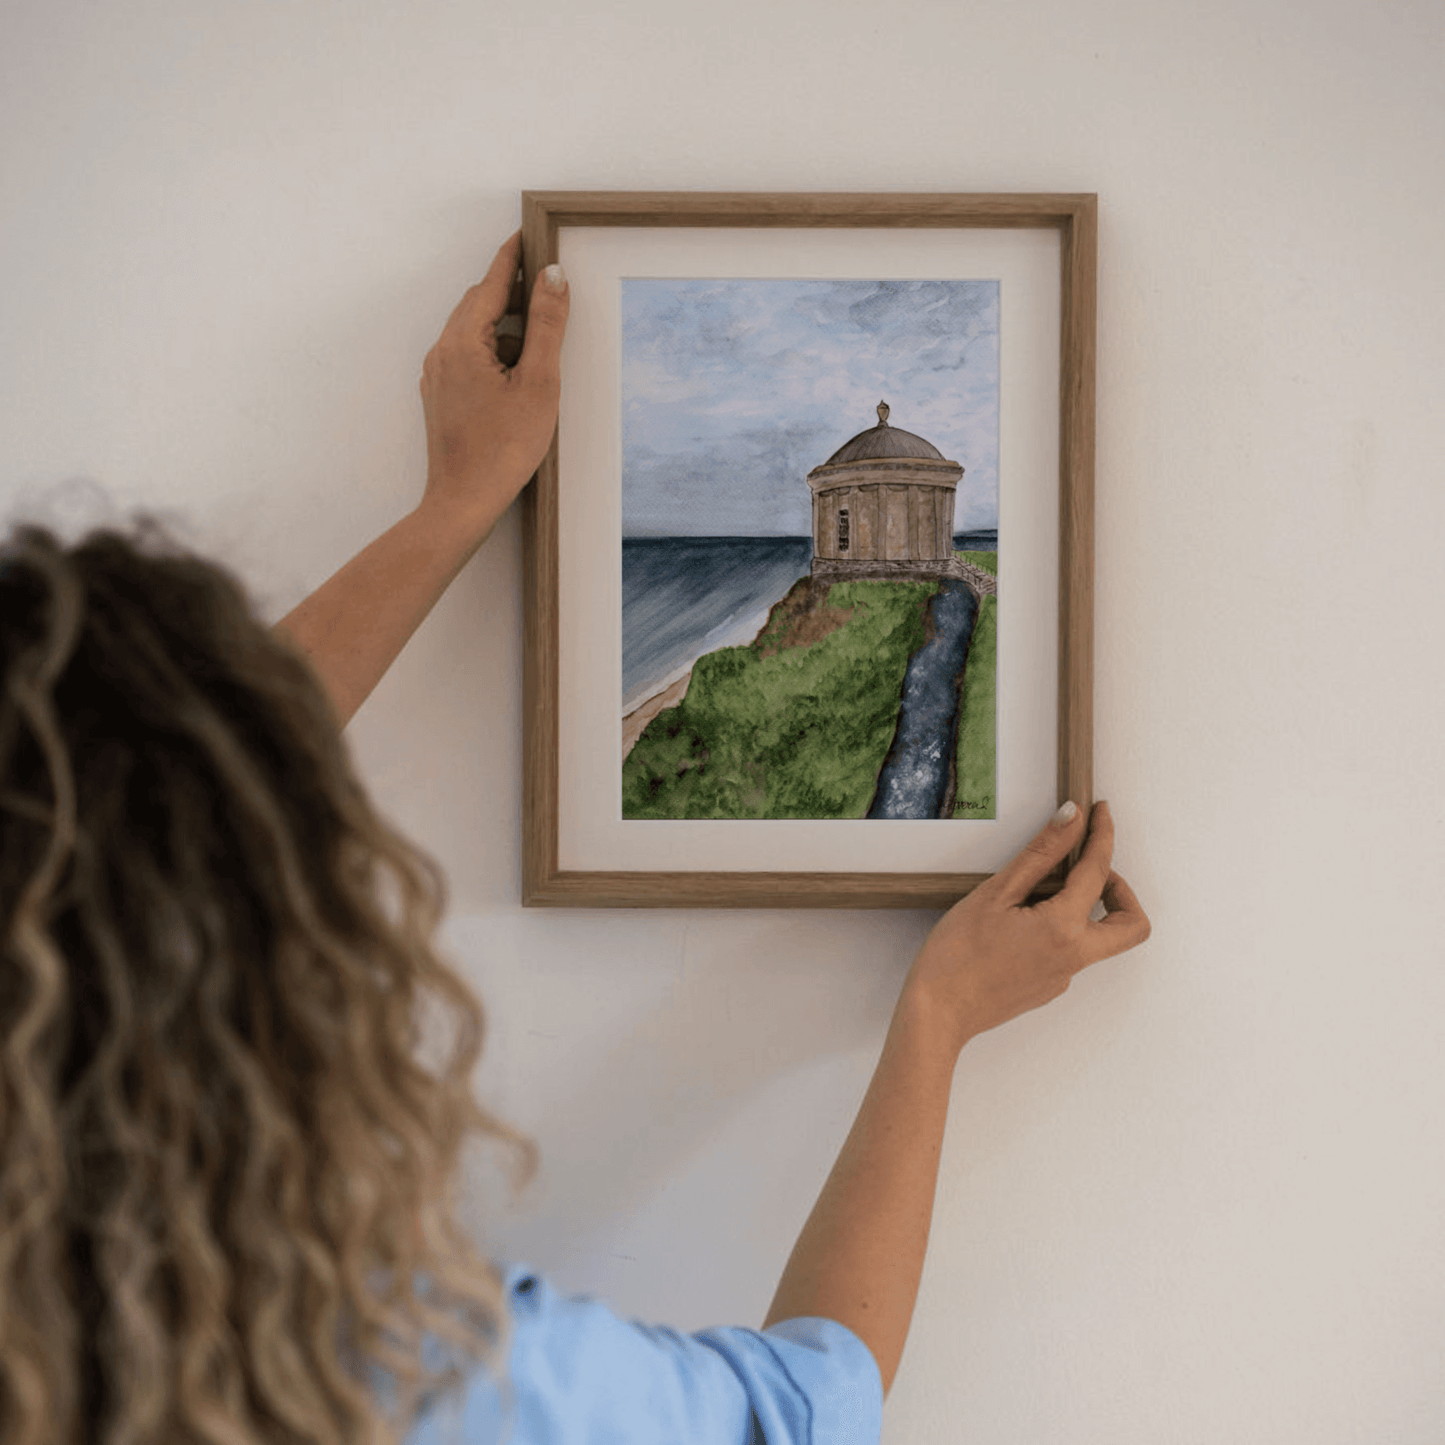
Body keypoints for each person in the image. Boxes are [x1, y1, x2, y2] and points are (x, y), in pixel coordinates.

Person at [0, 232, 1150, 1445]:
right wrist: (936, 1019)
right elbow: (805, 1404)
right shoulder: (408, 1375)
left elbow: (154, 794)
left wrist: (451, 509)